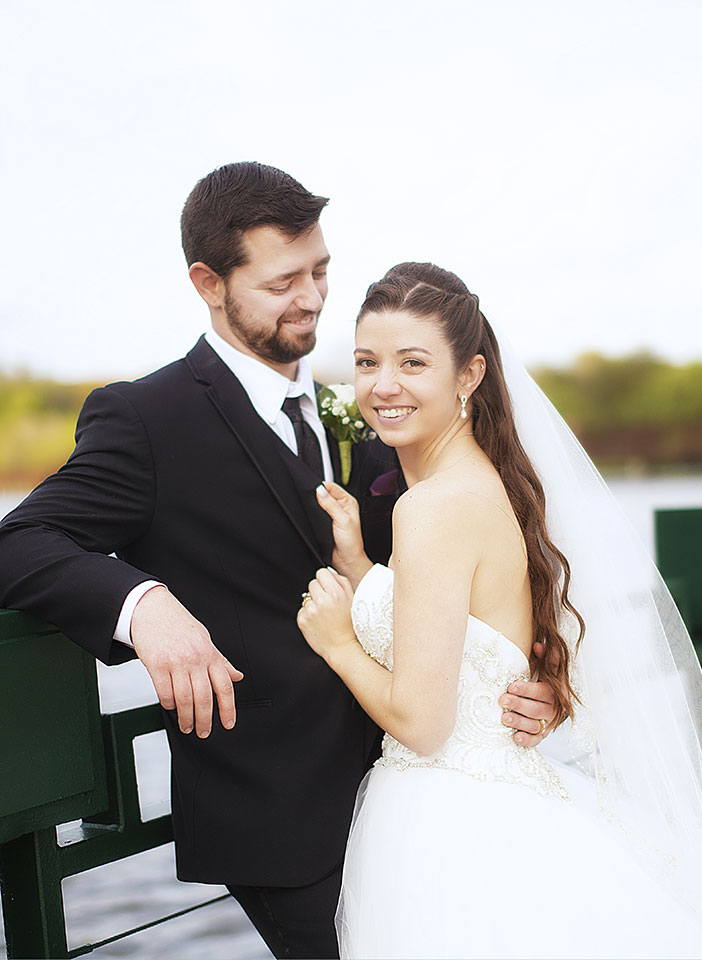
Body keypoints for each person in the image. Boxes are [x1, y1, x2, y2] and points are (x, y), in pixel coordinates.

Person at [0, 165, 556, 959]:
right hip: (276, 816)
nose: (313, 298)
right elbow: (18, 542)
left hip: (417, 793)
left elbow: (449, 582)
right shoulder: (145, 418)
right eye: (283, 280)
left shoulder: (364, 409)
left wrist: (533, 675)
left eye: (322, 271)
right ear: (209, 282)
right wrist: (145, 605)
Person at [297, 262, 702, 959]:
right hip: (499, 796)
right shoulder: (486, 483)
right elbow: (464, 621)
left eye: (413, 362)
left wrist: (338, 642)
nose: (382, 385)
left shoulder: (431, 507)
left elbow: (422, 720)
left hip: (450, 826)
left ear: (468, 375)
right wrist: (361, 568)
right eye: (366, 361)